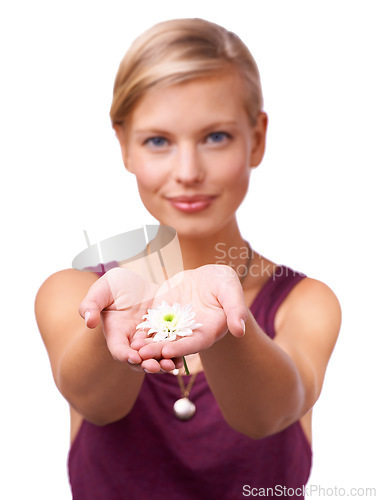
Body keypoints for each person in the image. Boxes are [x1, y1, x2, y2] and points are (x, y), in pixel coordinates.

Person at [35, 18, 341, 499]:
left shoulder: (305, 303)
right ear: (124, 146)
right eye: (158, 141)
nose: (188, 171)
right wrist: (120, 319)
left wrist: (224, 316)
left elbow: (270, 414)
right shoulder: (73, 295)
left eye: (215, 137)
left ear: (256, 139)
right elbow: (94, 401)